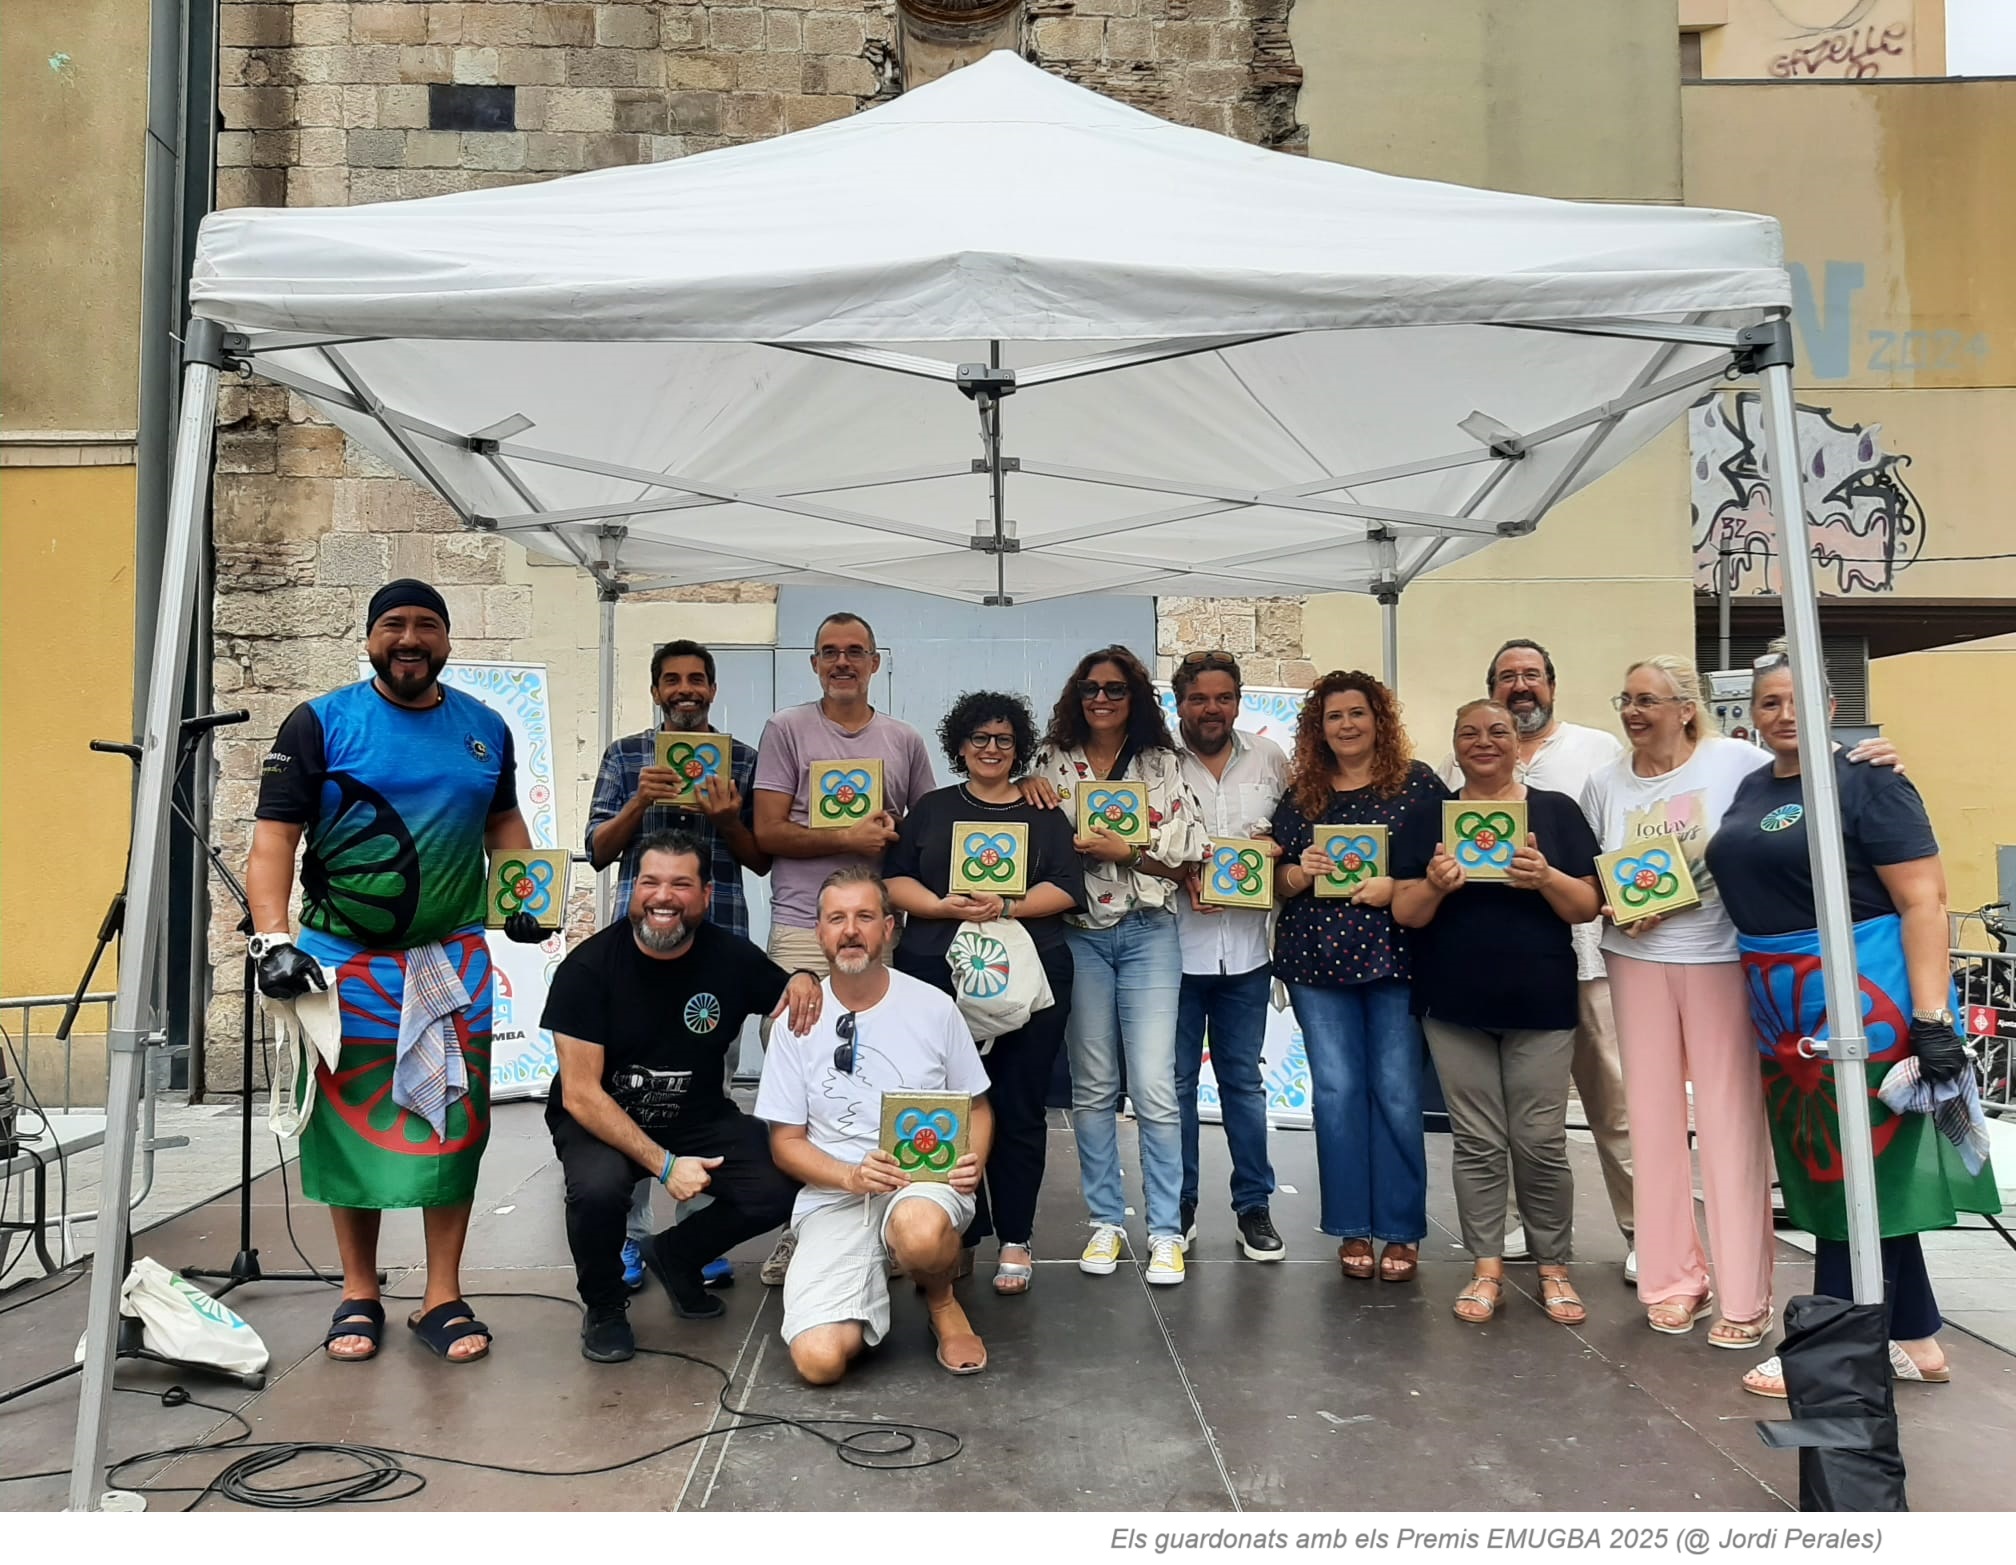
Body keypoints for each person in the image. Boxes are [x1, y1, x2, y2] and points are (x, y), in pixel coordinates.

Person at [248, 579, 544, 1365]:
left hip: (453, 960)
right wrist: (273, 940)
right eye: (393, 625)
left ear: (446, 640)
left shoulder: (484, 729)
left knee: (452, 1124)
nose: (409, 639)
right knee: (349, 1126)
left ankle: (441, 1294)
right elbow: (275, 839)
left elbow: (503, 822)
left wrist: (523, 891)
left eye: (425, 626)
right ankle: (359, 1290)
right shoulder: (318, 722)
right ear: (369, 636)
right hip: (342, 965)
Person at [1580, 654, 1901, 1347]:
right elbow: (1594, 877)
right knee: (1653, 1124)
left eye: (1649, 699)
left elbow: (1806, 781)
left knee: (1731, 1126)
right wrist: (1610, 904)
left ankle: (1746, 1294)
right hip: (1633, 963)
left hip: (1725, 959)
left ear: (1686, 705)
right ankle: (1671, 1281)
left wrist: (1874, 755)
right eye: (1626, 699)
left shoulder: (1737, 764)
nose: (1634, 712)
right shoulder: (1604, 781)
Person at [1704, 648, 1999, 1398]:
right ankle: (1915, 1334)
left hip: (1872, 1002)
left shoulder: (1870, 781)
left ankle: (1827, 1346)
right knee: (1850, 1167)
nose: (1783, 714)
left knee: (1858, 1169)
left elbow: (1926, 900)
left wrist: (1932, 1020)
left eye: (1798, 698)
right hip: (1787, 1011)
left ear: (1831, 706)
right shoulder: (1747, 785)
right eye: (1769, 702)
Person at [542, 832, 816, 1362]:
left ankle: (676, 1255)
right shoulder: (587, 969)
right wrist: (665, 1166)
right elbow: (580, 1095)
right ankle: (603, 1307)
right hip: (604, 1117)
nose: (663, 896)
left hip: (697, 1115)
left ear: (707, 896)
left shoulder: (731, 957)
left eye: (680, 884)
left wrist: (804, 978)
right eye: (650, 882)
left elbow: (788, 992)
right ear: (632, 891)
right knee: (598, 1192)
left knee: (782, 1178)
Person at [1395, 700, 1602, 1326]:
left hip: (1540, 1002)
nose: (1483, 742)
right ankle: (1487, 1269)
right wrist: (1434, 883)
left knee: (1540, 1141)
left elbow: (1588, 905)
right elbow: (1405, 911)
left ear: (1519, 742)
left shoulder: (1556, 812)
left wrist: (1544, 876)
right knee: (1478, 1143)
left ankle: (1554, 1268)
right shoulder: (1430, 817)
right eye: (1469, 733)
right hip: (1453, 1003)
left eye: (1497, 732)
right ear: (1453, 745)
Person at [751, 610, 937, 1284]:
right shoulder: (786, 730)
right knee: (799, 1079)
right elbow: (768, 833)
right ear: (814, 662)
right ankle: (797, 1227)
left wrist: (890, 833)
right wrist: (848, 841)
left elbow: (923, 832)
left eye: (854, 651)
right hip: (806, 925)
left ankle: (888, 1216)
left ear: (875, 662)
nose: (842, 662)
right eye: (829, 651)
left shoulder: (904, 739)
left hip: (880, 925)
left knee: (880, 1074)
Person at [1442, 639, 1634, 1282]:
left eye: (1531, 676)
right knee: (1518, 1125)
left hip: (1589, 958)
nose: (1520, 687)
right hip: (1499, 971)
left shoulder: (1599, 750)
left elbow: (1617, 850)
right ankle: (1525, 1233)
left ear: (1553, 683)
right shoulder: (1454, 775)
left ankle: (1643, 1234)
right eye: (1507, 678)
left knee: (1608, 1109)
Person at [756, 869, 995, 1383]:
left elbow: (977, 1106)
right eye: (836, 918)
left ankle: (942, 1300)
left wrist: (971, 1163)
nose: (850, 931)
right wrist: (848, 1177)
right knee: (819, 1362)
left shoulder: (933, 1007)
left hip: (923, 1181)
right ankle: (863, 1281)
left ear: (889, 928)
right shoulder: (795, 1022)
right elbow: (785, 1143)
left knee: (920, 1232)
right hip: (836, 1192)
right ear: (818, 932)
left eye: (864, 917)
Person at [585, 638, 769, 1294]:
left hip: (717, 951)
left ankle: (696, 1234)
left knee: (707, 1093)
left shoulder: (741, 760)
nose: (685, 689)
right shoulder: (625, 755)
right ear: (656, 689)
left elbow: (760, 859)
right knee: (628, 1093)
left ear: (712, 689)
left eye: (697, 679)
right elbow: (598, 850)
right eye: (673, 679)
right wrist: (639, 801)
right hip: (636, 956)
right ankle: (630, 1239)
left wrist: (727, 818)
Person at [884, 691, 1083, 1296]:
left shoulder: (1041, 810)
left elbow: (1069, 888)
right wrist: (943, 906)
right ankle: (956, 1235)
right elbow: (895, 879)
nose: (991, 749)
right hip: (935, 977)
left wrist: (1008, 905)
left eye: (1003, 740)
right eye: (979, 739)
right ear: (959, 747)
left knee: (1020, 1107)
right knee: (942, 1104)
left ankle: (1016, 1238)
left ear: (1018, 748)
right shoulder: (931, 807)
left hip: (1028, 979)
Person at [1024, 646, 1203, 1286]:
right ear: (1077, 694)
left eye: (1116, 689)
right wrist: (1026, 789)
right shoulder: (1049, 762)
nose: (1102, 699)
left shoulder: (1163, 762)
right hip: (1079, 934)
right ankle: (1105, 1222)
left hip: (1150, 929)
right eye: (1092, 689)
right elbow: (1027, 838)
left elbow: (1188, 855)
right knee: (1093, 1086)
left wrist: (1127, 849)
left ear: (1136, 697)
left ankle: (1164, 1232)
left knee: (1155, 1085)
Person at [1271, 670, 1446, 1284]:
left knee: (1397, 1092)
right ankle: (1350, 1225)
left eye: (1357, 714)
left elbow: (1445, 867)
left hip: (1396, 956)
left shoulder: (1420, 786)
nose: (1346, 726)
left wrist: (1395, 886)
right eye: (1334, 717)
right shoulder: (1303, 795)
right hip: (1315, 962)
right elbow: (1275, 880)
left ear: (1380, 720)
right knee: (1337, 1094)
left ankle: (1400, 1229)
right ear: (1318, 729)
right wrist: (1300, 871)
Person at [1169, 650, 1287, 1260]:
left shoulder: (1270, 760)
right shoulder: (1157, 763)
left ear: (1238, 701)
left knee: (1243, 1083)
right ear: (1178, 701)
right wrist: (1181, 872)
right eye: (1198, 698)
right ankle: (1179, 1206)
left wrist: (1273, 846)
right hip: (1175, 953)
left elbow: (1293, 835)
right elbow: (1141, 843)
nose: (1211, 709)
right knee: (1178, 1084)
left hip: (1246, 952)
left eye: (1222, 698)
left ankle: (1254, 1208)